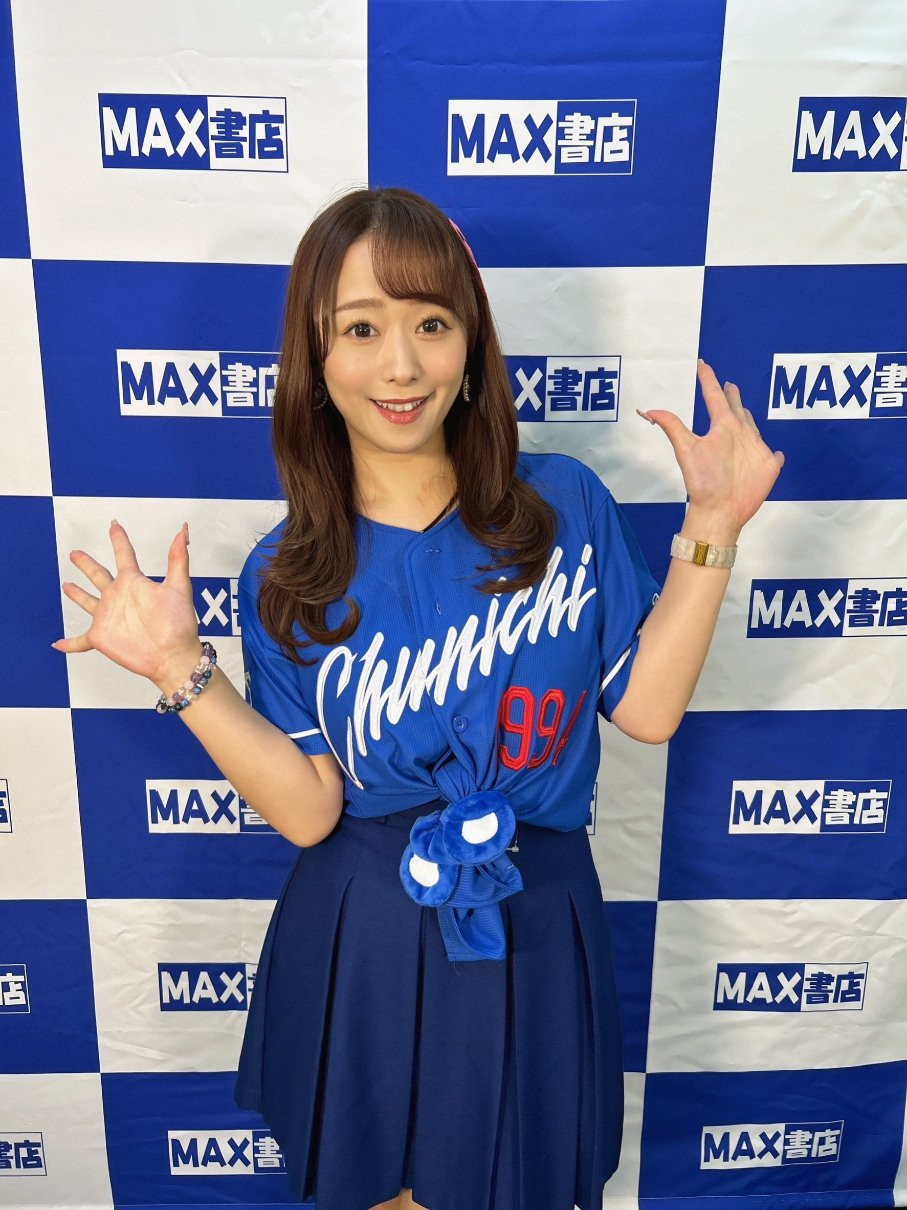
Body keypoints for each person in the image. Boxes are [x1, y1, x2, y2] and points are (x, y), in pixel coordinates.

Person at [51, 186, 784, 1210]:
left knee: (517, 1182)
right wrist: (180, 667)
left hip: (534, 907)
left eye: (431, 324)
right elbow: (309, 809)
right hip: (366, 923)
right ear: (315, 357)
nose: (400, 366)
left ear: (471, 345)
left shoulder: (565, 502)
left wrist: (711, 525)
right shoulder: (286, 572)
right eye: (361, 329)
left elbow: (647, 709)